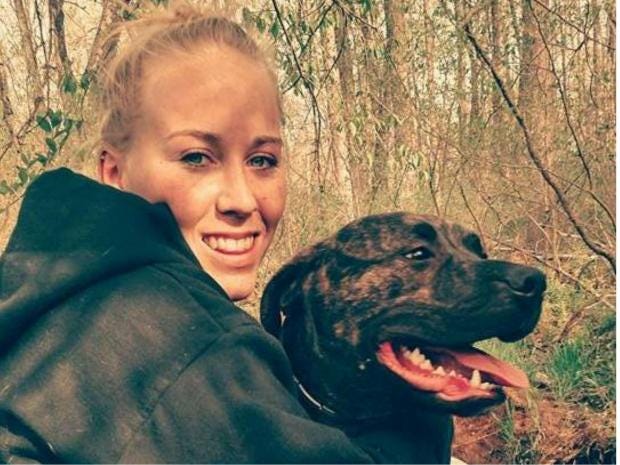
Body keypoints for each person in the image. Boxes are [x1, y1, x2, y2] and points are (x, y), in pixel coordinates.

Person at [0, 2, 451, 463]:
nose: (241, 200)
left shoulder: (48, 296)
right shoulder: (185, 340)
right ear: (114, 171)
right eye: (197, 157)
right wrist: (426, 402)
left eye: (262, 160)